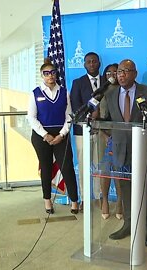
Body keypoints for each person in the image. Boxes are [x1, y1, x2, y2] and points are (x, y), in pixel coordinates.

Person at [103, 59, 147, 247]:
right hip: (120, 149)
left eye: (126, 71)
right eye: (118, 71)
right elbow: (105, 121)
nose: (121, 75)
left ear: (135, 73)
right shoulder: (109, 94)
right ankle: (128, 224)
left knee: (145, 188)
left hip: (143, 149)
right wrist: (114, 136)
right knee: (124, 188)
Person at [27, 59, 79, 215]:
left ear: (56, 74)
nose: (50, 76)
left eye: (53, 72)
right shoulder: (35, 93)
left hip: (61, 135)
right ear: (42, 75)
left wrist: (62, 134)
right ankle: (47, 200)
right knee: (46, 167)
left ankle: (74, 200)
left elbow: (69, 116)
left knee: (67, 167)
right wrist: (46, 135)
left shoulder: (64, 92)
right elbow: (31, 117)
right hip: (41, 136)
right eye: (46, 73)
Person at [70, 52, 105, 211]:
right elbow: (76, 107)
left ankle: (99, 196)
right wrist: (91, 116)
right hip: (82, 131)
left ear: (99, 63)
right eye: (88, 62)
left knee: (99, 165)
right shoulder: (78, 83)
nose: (92, 64)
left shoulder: (107, 81)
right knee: (84, 166)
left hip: (103, 131)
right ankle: (85, 198)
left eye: (94, 61)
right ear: (84, 65)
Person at [98, 63, 123, 220]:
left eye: (116, 72)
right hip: (104, 136)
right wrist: (105, 135)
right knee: (105, 170)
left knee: (120, 171)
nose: (112, 75)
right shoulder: (101, 94)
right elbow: (99, 118)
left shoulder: (126, 92)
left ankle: (120, 202)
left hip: (121, 137)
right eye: (109, 73)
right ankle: (105, 200)